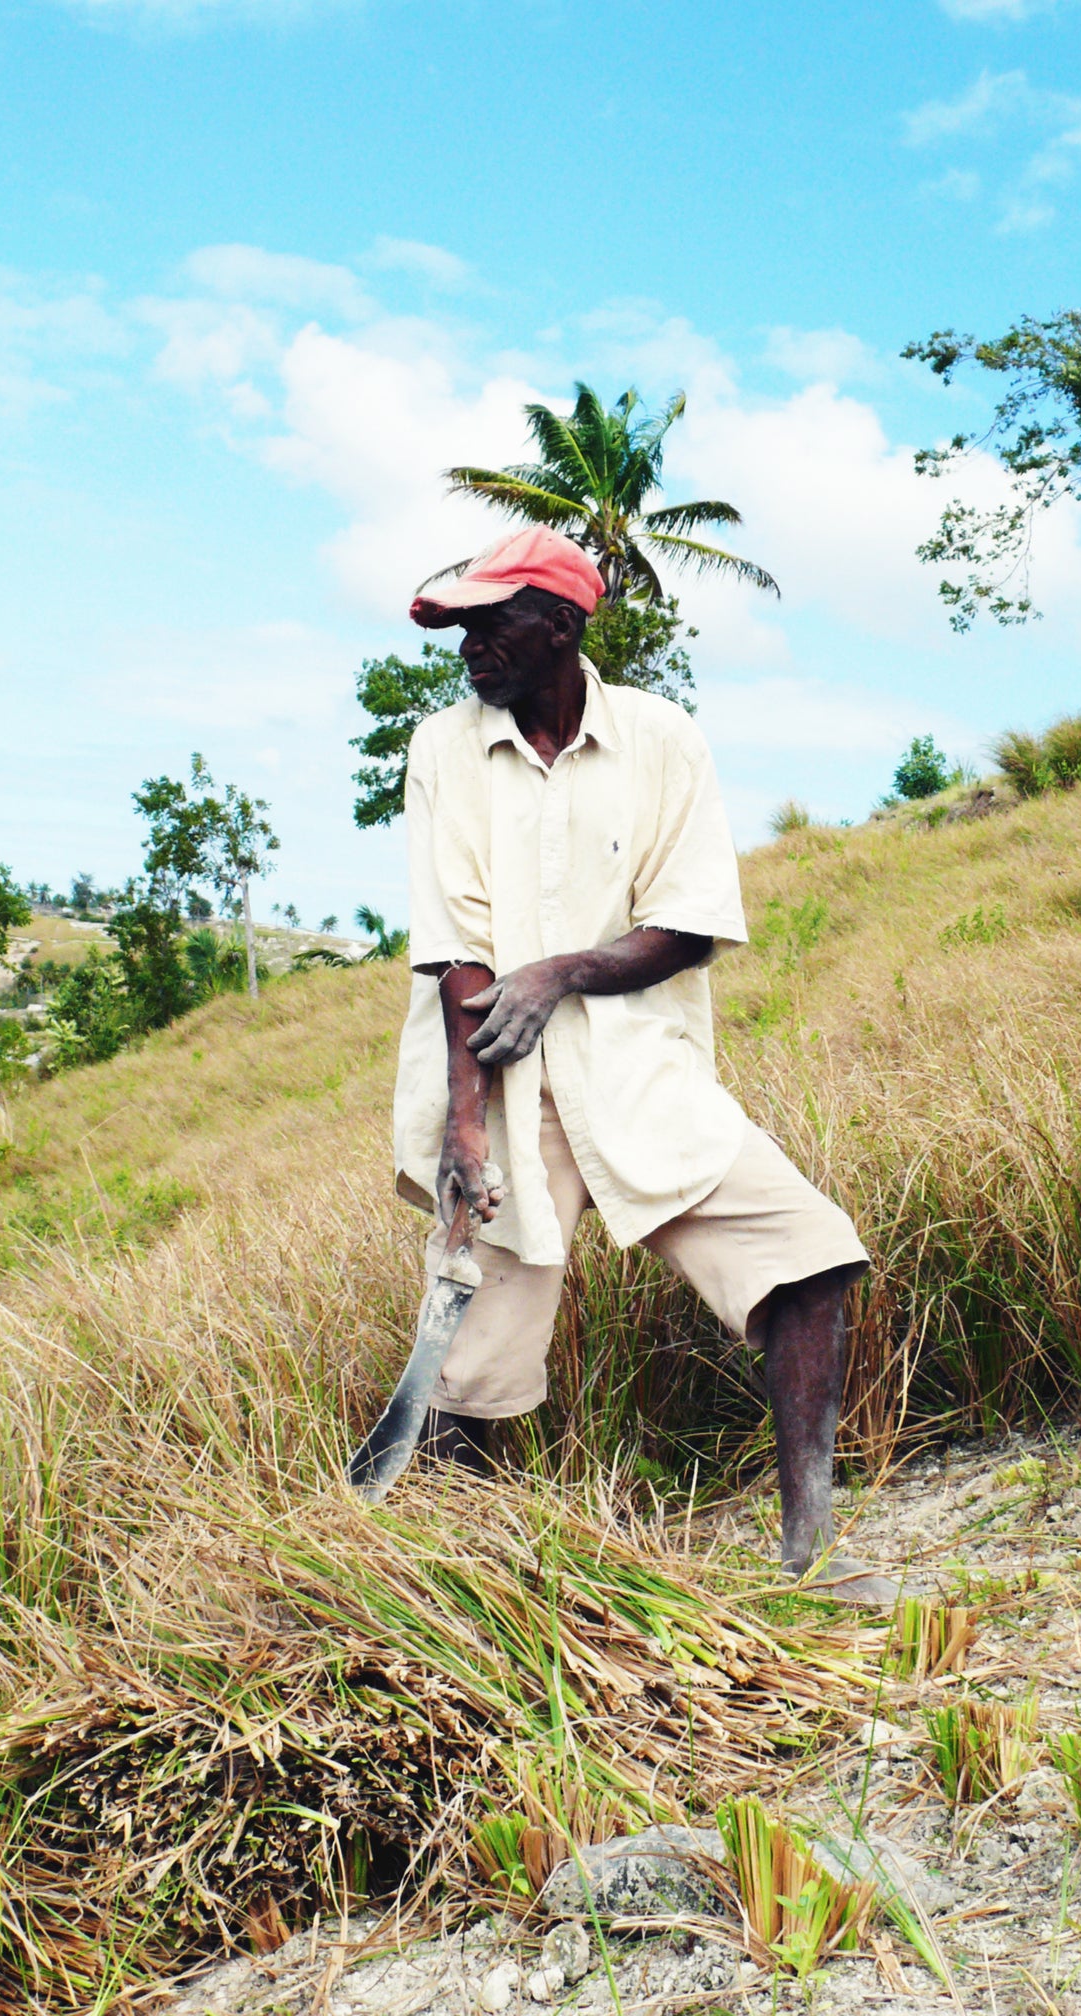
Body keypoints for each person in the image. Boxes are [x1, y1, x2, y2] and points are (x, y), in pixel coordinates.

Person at [391, 524, 903, 1605]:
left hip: (639, 1075)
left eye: (493, 625)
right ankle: (431, 1600)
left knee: (808, 1256)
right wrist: (466, 1126)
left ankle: (812, 1553)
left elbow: (691, 924)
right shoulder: (442, 748)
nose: (470, 647)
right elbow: (457, 949)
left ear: (564, 627)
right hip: (496, 1083)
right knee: (474, 1373)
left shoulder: (663, 741)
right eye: (464, 628)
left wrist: (560, 974)